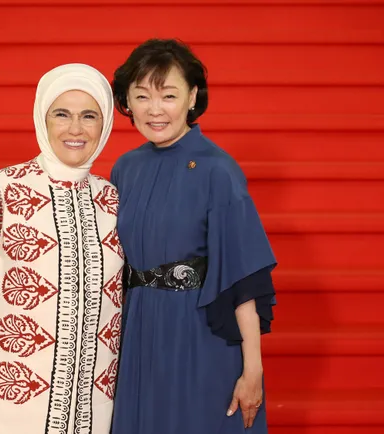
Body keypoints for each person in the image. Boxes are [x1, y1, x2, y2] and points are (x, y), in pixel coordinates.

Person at [0, 63, 124, 434]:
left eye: (89, 116)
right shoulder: (5, 187)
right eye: (61, 115)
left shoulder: (111, 198)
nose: (76, 129)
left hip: (93, 391)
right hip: (8, 386)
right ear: (42, 119)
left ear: (106, 124)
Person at [109, 39, 277, 434]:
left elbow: (242, 277)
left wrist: (252, 369)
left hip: (198, 332)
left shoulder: (218, 170)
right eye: (142, 96)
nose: (155, 109)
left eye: (168, 95)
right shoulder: (125, 168)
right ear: (128, 102)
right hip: (138, 330)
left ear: (192, 97)